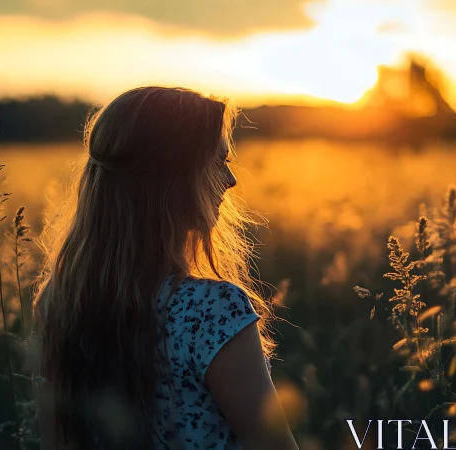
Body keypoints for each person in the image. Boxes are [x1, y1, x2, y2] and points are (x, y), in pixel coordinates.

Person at [33, 86, 298, 450]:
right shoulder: (213, 311)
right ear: (174, 179)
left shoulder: (59, 302)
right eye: (218, 163)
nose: (230, 181)